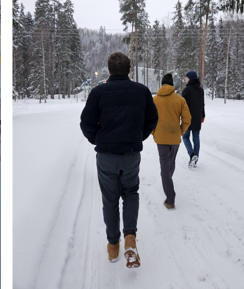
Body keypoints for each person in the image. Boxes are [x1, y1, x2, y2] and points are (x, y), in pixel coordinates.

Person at [80, 52, 158, 268]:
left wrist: (99, 139)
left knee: (110, 199)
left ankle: (113, 246)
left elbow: (86, 122)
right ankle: (130, 238)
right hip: (131, 154)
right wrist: (137, 136)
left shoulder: (98, 93)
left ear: (109, 70)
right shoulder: (141, 91)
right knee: (131, 193)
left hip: (106, 156)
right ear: (129, 69)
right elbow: (152, 119)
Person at [151, 73, 191, 210]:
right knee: (170, 163)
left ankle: (170, 198)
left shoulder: (154, 100)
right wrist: (181, 131)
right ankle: (168, 182)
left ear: (162, 84)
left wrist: (154, 132)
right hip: (175, 138)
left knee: (164, 167)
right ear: (172, 85)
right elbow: (187, 119)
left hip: (161, 139)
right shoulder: (180, 100)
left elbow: (148, 119)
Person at [181, 70, 205, 168]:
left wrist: (182, 117)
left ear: (189, 78)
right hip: (198, 117)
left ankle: (192, 155)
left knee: (185, 137)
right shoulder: (201, 90)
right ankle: (195, 160)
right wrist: (203, 115)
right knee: (196, 138)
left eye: (186, 77)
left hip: (188, 119)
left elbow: (183, 106)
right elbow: (202, 104)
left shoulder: (186, 91)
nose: (185, 79)